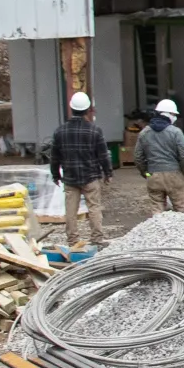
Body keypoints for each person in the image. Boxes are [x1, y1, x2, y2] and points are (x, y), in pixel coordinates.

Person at [47, 91, 112, 249]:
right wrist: (108, 173)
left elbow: (54, 156)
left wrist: (55, 174)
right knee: (94, 207)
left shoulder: (60, 132)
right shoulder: (94, 131)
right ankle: (97, 239)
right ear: (88, 109)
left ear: (71, 108)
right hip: (91, 176)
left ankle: (73, 241)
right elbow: (103, 155)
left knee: (71, 210)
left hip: (70, 177)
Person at [138, 97, 184, 216]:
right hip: (174, 175)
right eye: (174, 114)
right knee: (181, 211)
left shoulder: (144, 133)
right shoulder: (176, 132)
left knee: (157, 212)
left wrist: (146, 173)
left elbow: (138, 157)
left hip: (153, 175)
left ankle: (160, 232)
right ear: (170, 114)